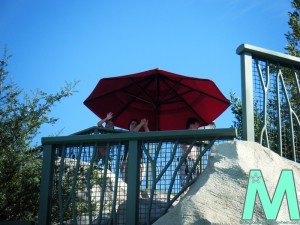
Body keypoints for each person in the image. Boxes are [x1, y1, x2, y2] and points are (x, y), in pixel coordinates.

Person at [121, 118, 150, 183]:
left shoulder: (139, 135)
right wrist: (141, 124)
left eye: (136, 124)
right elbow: (132, 133)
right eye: (132, 124)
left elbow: (149, 136)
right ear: (129, 126)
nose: (134, 125)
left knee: (137, 182)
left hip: (140, 161)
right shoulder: (126, 134)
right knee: (126, 182)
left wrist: (145, 126)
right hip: (127, 161)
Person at [179, 117, 201, 187]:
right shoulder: (185, 134)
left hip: (193, 161)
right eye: (197, 124)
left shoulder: (194, 137)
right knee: (186, 184)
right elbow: (185, 147)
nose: (198, 127)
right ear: (191, 125)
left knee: (195, 183)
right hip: (187, 160)